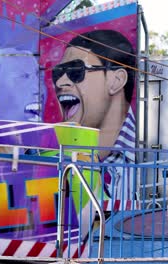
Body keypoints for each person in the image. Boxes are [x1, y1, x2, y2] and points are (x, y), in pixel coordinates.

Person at [52, 29, 136, 201]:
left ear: (116, 81)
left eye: (76, 70)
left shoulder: (142, 159)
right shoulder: (55, 152)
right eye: (58, 72)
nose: (61, 82)